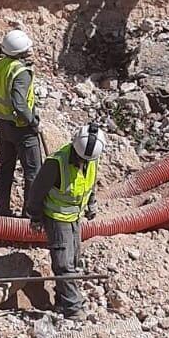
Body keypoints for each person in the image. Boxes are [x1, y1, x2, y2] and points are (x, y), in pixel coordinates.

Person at [26, 124, 104, 319]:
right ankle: (73, 307)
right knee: (63, 264)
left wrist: (91, 203)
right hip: (56, 216)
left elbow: (90, 182)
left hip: (75, 216)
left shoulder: (91, 158)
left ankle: (62, 300)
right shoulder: (56, 163)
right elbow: (36, 191)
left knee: (74, 261)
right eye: (80, 159)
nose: (83, 162)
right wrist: (35, 216)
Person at [0, 29, 42, 217]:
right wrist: (32, 121)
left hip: (2, 126)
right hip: (21, 128)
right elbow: (19, 103)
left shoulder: (0, 65)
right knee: (33, 172)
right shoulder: (21, 72)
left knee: (6, 169)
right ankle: (30, 215)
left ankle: (0, 210)